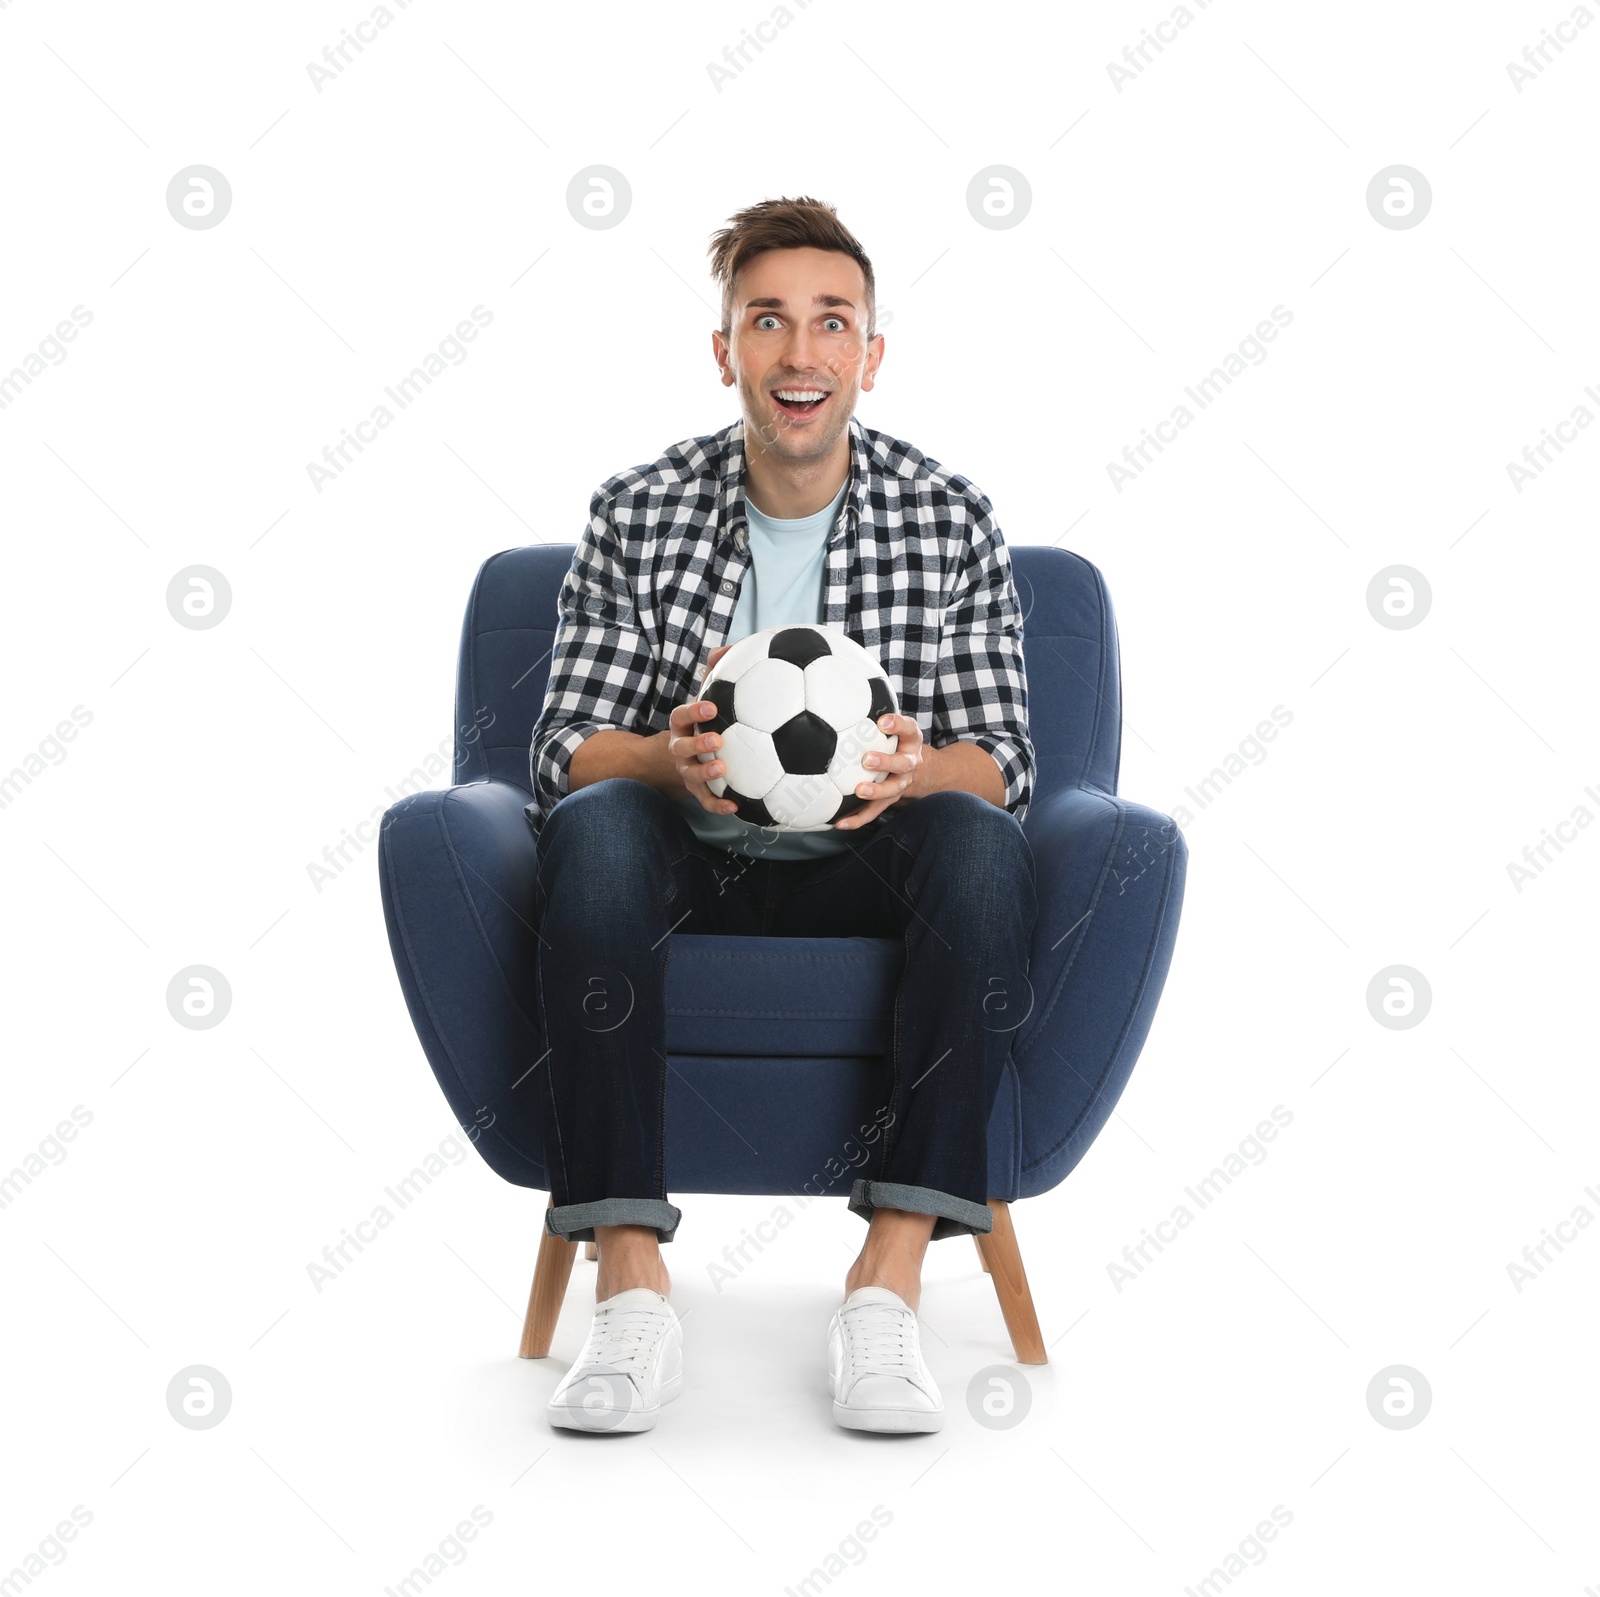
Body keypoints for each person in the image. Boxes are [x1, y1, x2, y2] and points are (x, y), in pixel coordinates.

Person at [525, 195, 1038, 1434]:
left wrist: (920, 773)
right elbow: (561, 750)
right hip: (686, 855)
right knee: (591, 829)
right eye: (767, 321)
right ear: (725, 351)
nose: (798, 353)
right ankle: (633, 1287)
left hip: (865, 858)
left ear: (869, 353)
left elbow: (1004, 758)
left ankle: (887, 1283)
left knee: (977, 844)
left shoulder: (948, 513)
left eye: (830, 323)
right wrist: (662, 757)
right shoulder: (635, 508)